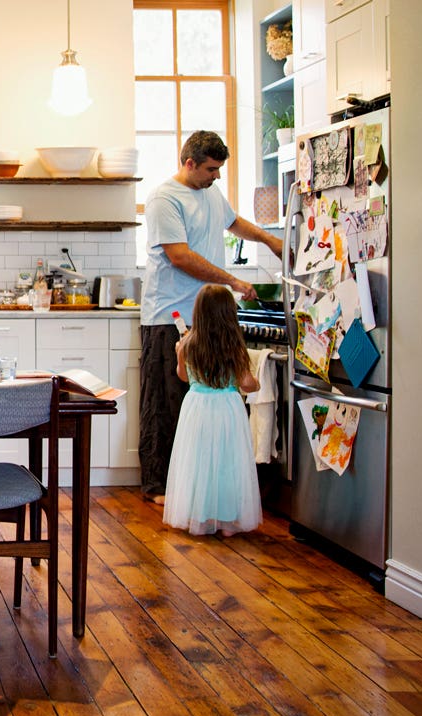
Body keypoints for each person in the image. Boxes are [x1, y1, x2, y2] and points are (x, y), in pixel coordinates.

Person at [139, 130, 283, 505]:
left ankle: (201, 484)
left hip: (209, 315)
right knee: (166, 403)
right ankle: (160, 486)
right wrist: (232, 280)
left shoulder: (211, 193)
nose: (217, 175)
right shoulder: (164, 199)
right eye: (211, 169)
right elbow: (180, 257)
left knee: (209, 404)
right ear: (190, 163)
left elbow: (234, 222)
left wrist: (270, 240)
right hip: (169, 315)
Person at [162, 284, 262, 536]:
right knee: (227, 462)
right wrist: (258, 381)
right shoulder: (235, 348)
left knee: (199, 461)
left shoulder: (187, 344)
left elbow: (183, 377)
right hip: (227, 408)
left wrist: (178, 354)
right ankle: (227, 521)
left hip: (196, 408)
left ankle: (201, 517)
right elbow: (247, 383)